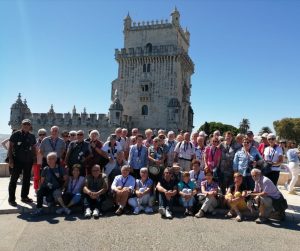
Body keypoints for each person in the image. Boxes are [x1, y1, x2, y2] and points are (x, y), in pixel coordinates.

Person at [8, 119, 37, 206]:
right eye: (24, 124)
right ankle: (11, 199)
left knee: (27, 179)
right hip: (17, 161)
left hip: (28, 161)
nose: (26, 125)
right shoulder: (16, 134)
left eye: (28, 124)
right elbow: (10, 148)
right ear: (21, 125)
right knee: (14, 179)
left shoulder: (32, 136)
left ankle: (24, 196)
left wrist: (34, 158)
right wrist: (10, 160)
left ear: (30, 126)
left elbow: (33, 148)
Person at [33, 128, 47, 194]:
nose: (42, 136)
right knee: (36, 176)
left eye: (43, 134)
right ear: (38, 135)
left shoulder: (48, 142)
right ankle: (36, 189)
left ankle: (43, 189)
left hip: (46, 162)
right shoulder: (35, 143)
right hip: (37, 162)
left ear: (46, 135)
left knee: (44, 177)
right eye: (40, 134)